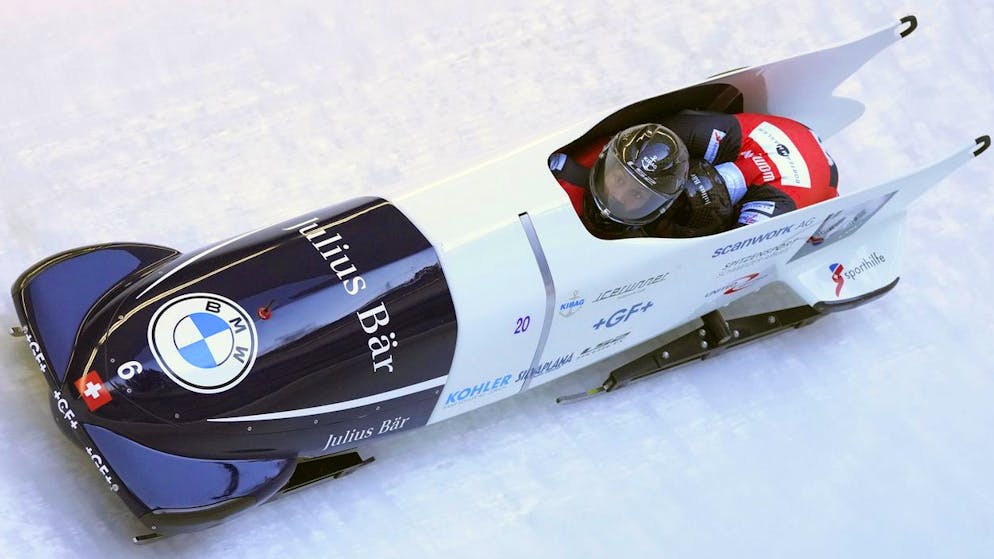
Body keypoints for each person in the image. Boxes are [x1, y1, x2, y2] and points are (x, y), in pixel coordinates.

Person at [548, 111, 839, 239]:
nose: (618, 196)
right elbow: (623, 143)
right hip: (756, 137)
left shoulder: (774, 207)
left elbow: (731, 256)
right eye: (619, 180)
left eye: (637, 194)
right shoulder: (700, 134)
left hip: (811, 181)